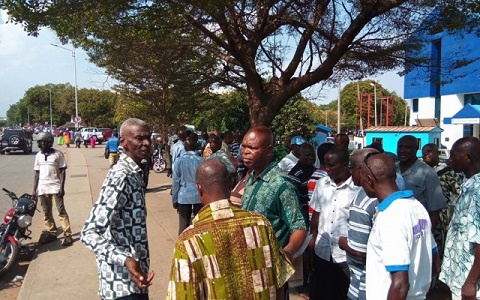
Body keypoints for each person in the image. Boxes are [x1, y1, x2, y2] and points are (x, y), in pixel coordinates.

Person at [166, 159, 295, 299]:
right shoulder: (262, 224)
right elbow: (280, 283)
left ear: (199, 188)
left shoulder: (188, 241)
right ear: (230, 184)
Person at [81, 118, 154, 300]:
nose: (146, 143)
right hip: (120, 286)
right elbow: (89, 233)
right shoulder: (121, 176)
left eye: (148, 138)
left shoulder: (135, 172)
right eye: (139, 138)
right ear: (123, 142)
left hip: (135, 282)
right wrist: (125, 260)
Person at [241, 126, 307, 297]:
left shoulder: (281, 185)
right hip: (248, 267)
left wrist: (287, 253)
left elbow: (299, 227)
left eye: (253, 148)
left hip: (270, 272)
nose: (245, 152)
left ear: (268, 151)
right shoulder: (251, 178)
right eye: (244, 146)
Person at [361, 153, 437, 300]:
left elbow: (400, 284)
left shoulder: (391, 217)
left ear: (369, 180)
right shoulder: (416, 206)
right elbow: (434, 262)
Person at [339, 148, 406, 300]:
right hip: (394, 282)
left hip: (365, 286)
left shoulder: (362, 202)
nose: (350, 172)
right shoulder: (398, 186)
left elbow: (359, 253)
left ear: (363, 171)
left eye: (353, 168)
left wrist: (343, 243)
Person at [309, 147, 359, 299]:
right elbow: (316, 216)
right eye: (326, 165)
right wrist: (311, 245)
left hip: (346, 257)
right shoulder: (322, 184)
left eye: (332, 165)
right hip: (322, 252)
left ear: (344, 165)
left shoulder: (358, 189)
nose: (327, 169)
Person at [439, 137, 480, 300]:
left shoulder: (478, 192)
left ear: (468, 158)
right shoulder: (469, 183)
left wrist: (471, 281)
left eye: (453, 155)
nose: (449, 160)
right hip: (459, 275)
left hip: (470, 280)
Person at [396, 135, 446, 231]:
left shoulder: (428, 173)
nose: (402, 150)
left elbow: (435, 210)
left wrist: (424, 235)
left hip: (416, 228)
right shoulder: (391, 170)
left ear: (416, 149)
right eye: (400, 147)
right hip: (395, 227)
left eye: (407, 148)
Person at [422, 143, 462, 258]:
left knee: (438, 244)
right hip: (424, 212)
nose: (426, 154)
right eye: (424, 152)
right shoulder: (421, 170)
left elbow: (459, 190)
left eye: (429, 151)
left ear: (437, 153)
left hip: (441, 215)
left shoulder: (447, 171)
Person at [32, 132, 73, 246]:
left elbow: (63, 170)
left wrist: (62, 187)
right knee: (47, 213)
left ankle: (67, 234)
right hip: (42, 188)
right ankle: (52, 233)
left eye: (43, 142)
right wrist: (34, 190)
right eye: (40, 142)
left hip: (55, 187)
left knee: (61, 212)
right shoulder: (38, 156)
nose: (41, 144)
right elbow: (36, 173)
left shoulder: (58, 154)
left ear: (49, 142)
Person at [172, 137, 204, 235]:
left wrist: (174, 199)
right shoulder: (201, 160)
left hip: (184, 195)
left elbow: (176, 182)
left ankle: (182, 246)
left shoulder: (179, 161)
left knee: (184, 224)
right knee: (199, 224)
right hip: (198, 195)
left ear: (185, 147)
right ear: (195, 147)